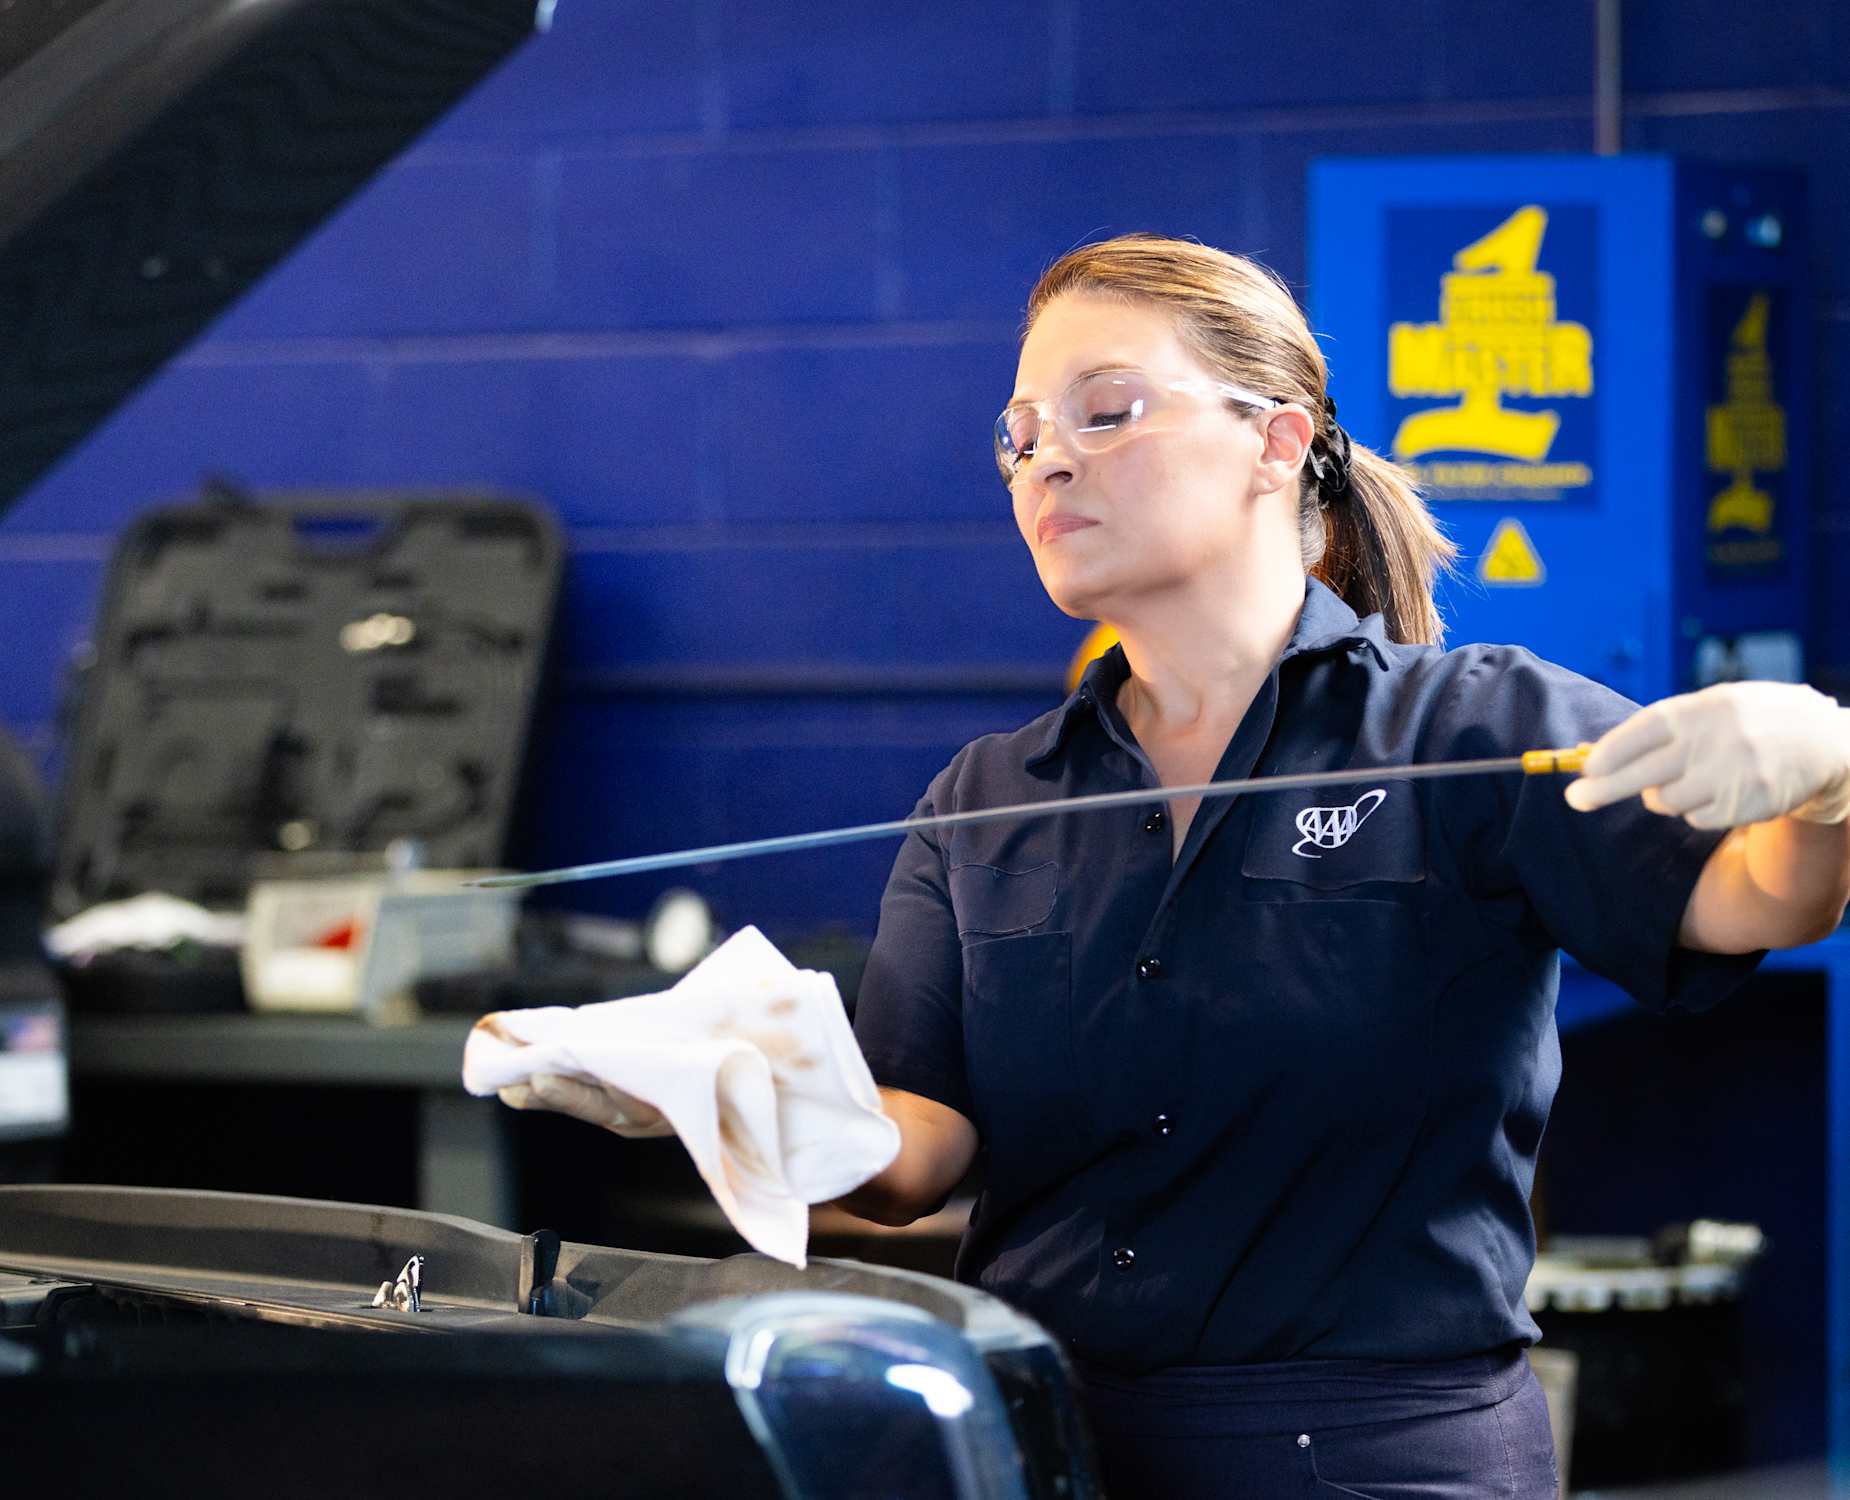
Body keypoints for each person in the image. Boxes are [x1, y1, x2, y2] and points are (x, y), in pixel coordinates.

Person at [506, 235, 1850, 1499]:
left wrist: (1824, 775)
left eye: (1106, 412)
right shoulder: (985, 798)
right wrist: (730, 1095)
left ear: (1275, 443)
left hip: (1375, 1456)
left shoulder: (1475, 728)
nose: (1045, 465)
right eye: (1020, 437)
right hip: (1045, 1437)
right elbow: (911, 1157)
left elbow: (1758, 899)